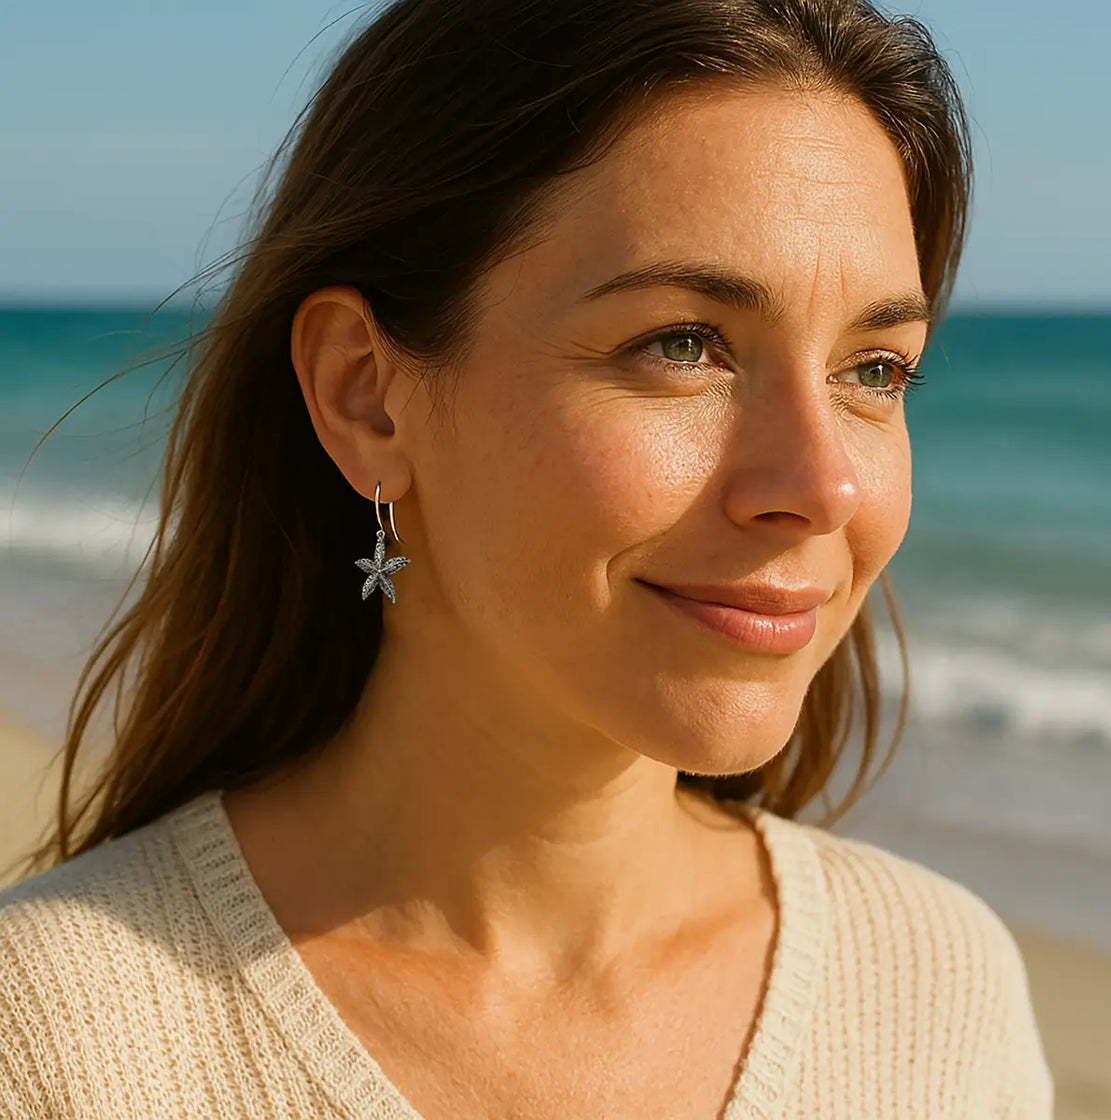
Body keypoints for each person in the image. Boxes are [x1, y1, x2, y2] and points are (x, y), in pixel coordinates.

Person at [0, 0, 1053, 1116]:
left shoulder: (937, 991)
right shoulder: (58, 1041)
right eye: (681, 344)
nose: (821, 483)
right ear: (366, 393)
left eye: (875, 370)